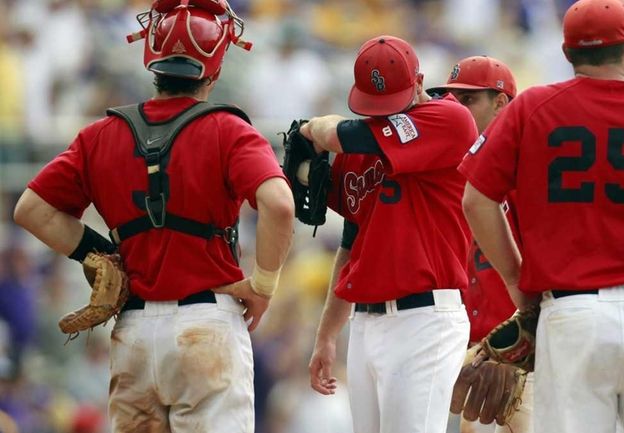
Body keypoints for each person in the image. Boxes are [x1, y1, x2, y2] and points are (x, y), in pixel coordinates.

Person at [12, 1, 295, 432]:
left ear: (152, 60)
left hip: (134, 333)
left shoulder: (99, 135)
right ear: (215, 67)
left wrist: (104, 253)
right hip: (207, 327)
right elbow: (279, 203)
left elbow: (30, 210)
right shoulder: (229, 129)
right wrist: (263, 284)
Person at [458, 0, 624, 432]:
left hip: (572, 314)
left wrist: (516, 283)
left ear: (566, 53)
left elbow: (476, 200)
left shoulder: (531, 107)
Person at [304, 35, 477, 433]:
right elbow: (351, 244)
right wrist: (327, 334)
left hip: (425, 320)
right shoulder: (358, 147)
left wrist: (315, 127)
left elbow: (333, 134)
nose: (383, 112)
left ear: (419, 82)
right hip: (365, 322)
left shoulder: (449, 118)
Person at [429, 56, 533, 433]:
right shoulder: (447, 169)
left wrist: (519, 351)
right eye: (451, 99)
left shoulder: (528, 167)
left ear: (501, 103)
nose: (456, 108)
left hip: (522, 356)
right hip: (470, 356)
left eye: (469, 99)